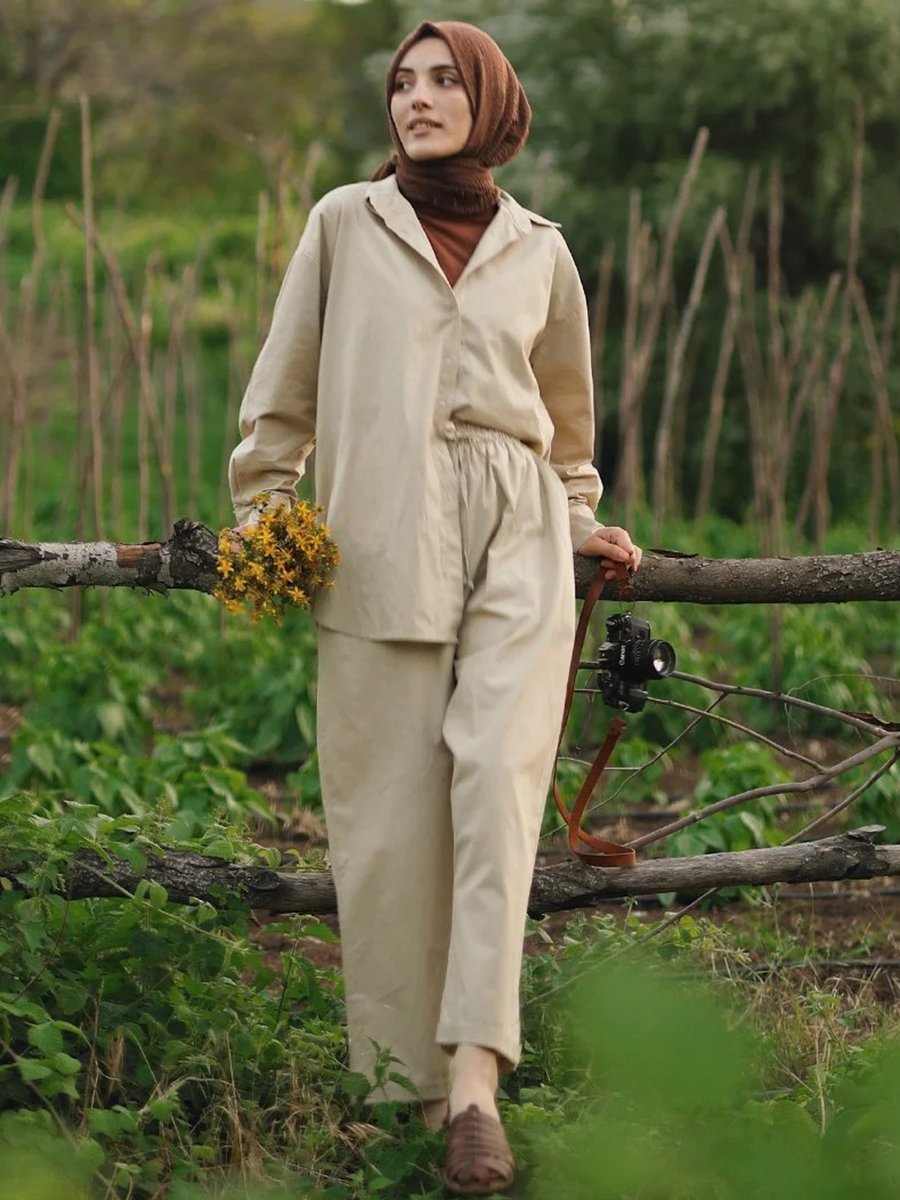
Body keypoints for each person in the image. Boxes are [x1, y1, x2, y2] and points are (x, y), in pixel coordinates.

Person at [229, 19, 641, 1195]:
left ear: (491, 102)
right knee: (387, 818)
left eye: (442, 80)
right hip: (379, 539)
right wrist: (268, 514)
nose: (416, 98)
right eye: (401, 83)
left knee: (499, 793)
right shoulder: (342, 227)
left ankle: (471, 1085)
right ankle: (394, 1086)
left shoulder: (539, 248)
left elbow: (564, 423)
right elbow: (282, 400)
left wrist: (575, 518)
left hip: (515, 533)